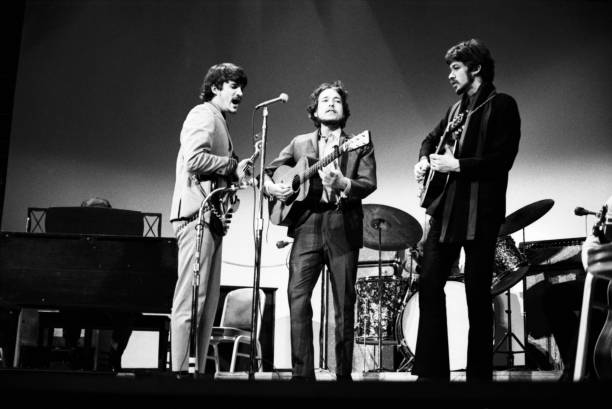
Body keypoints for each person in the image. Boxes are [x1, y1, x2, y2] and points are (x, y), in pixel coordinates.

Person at [412, 39, 521, 382]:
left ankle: (478, 379)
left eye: (456, 67)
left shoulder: (502, 105)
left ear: (475, 68)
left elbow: (503, 161)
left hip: (479, 214)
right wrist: (422, 161)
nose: (450, 75)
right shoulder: (454, 111)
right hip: (445, 213)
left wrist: (457, 164)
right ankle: (433, 373)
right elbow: (429, 141)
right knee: (429, 284)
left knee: (477, 295)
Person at [263, 81, 377, 381]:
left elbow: (368, 182)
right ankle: (302, 376)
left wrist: (343, 184)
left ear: (344, 109)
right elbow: (271, 171)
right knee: (297, 298)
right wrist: (276, 187)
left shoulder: (359, 143)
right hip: (307, 225)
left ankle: (342, 377)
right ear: (314, 110)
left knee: (344, 303)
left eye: (336, 100)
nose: (330, 104)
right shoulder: (300, 143)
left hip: (342, 223)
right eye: (324, 100)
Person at [169, 62, 252, 375]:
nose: (240, 93)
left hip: (210, 218)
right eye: (234, 86)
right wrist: (231, 166)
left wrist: (233, 185)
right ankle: (180, 372)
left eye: (241, 87)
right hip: (196, 216)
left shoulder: (220, 120)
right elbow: (193, 158)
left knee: (205, 303)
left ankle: (196, 373)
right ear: (216, 87)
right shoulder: (204, 114)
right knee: (192, 299)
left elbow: (212, 171)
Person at [542, 194, 611, 381]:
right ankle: (577, 365)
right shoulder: (609, 207)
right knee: (552, 296)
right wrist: (597, 246)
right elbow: (592, 248)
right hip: (604, 279)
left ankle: (576, 373)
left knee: (596, 314)